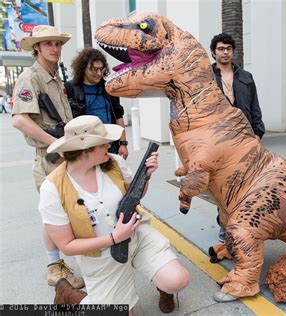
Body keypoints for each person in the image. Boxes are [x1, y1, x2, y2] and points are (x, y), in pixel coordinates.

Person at [38, 115, 189, 313]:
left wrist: (147, 176)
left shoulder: (114, 162)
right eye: (104, 143)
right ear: (86, 151)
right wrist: (113, 237)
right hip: (100, 253)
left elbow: (135, 197)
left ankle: (164, 286)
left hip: (136, 235)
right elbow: (67, 246)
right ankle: (70, 295)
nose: (110, 145)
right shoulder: (52, 188)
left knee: (177, 280)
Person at [11, 25, 84, 289]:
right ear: (37, 48)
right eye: (49, 44)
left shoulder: (55, 76)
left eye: (58, 43)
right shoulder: (30, 77)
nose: (55, 48)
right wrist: (56, 144)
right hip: (49, 159)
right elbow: (20, 120)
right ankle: (55, 268)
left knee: (69, 211)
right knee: (54, 215)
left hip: (66, 157)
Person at [210, 33, 266, 242]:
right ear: (214, 52)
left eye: (228, 49)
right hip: (219, 139)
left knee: (246, 184)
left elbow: (255, 107)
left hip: (245, 139)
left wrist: (258, 133)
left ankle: (244, 225)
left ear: (233, 52)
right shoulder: (207, 76)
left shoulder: (246, 77)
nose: (225, 52)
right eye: (221, 49)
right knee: (222, 185)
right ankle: (225, 227)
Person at [67, 48, 129, 159]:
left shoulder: (109, 87)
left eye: (102, 69)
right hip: (85, 149)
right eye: (94, 69)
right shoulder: (71, 88)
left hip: (110, 146)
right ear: (84, 68)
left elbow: (118, 116)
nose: (99, 73)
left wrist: (123, 144)